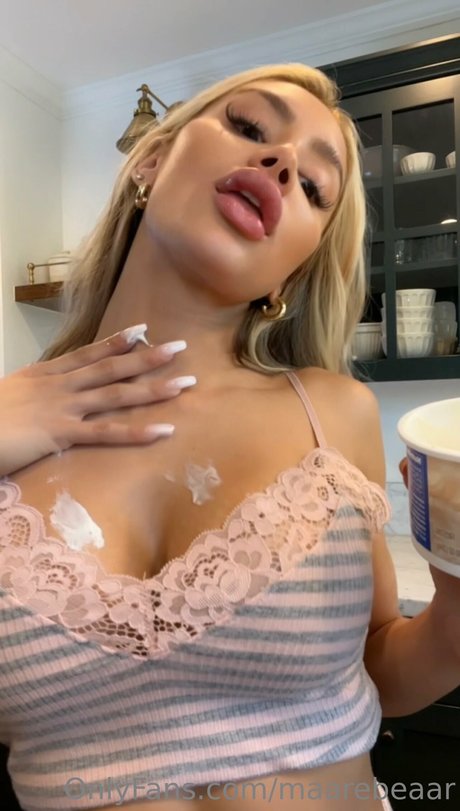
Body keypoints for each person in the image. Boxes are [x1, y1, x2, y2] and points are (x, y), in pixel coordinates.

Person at [0, 62, 459, 811]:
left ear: (292, 273)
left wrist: (457, 608)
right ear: (151, 162)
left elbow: (381, 669)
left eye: (314, 187)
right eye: (249, 126)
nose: (281, 164)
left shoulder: (333, 416)